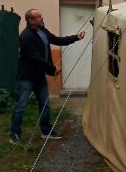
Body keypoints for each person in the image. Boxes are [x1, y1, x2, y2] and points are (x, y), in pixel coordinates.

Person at [9, 9, 85, 144]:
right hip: (26, 77)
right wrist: (53, 68)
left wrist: (76, 37)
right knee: (20, 106)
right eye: (38, 17)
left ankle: (46, 131)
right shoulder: (26, 37)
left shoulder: (43, 31)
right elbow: (36, 58)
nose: (42, 18)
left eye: (41, 16)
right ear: (31, 21)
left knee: (45, 104)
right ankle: (14, 135)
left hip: (39, 76)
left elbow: (57, 40)